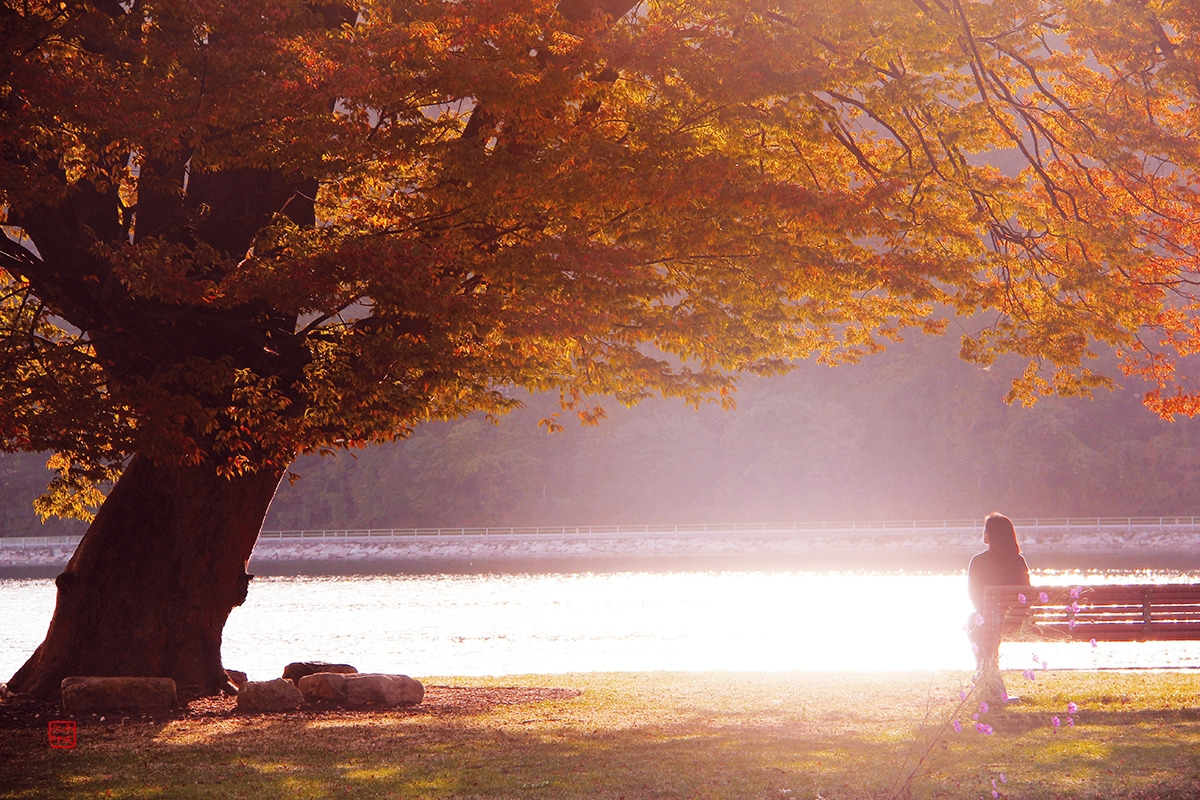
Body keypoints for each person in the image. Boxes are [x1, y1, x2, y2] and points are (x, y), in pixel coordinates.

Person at [967, 512, 1031, 700]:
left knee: (974, 622)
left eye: (985, 529)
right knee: (980, 625)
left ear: (990, 535)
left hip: (991, 621)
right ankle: (988, 679)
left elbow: (973, 594)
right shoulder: (1018, 561)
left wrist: (986, 613)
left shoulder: (978, 561)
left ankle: (987, 678)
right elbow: (1027, 595)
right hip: (1016, 622)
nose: (982, 532)